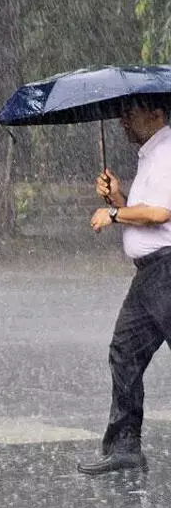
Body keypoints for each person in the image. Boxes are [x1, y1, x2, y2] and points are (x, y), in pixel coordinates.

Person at [79, 97, 171, 475]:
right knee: (125, 351)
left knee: (125, 352)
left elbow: (161, 213)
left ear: (156, 113)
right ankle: (125, 445)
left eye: (129, 113)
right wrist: (118, 196)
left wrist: (114, 212)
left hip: (166, 271)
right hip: (150, 275)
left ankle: (125, 443)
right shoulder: (151, 153)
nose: (122, 121)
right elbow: (147, 210)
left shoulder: (167, 151)